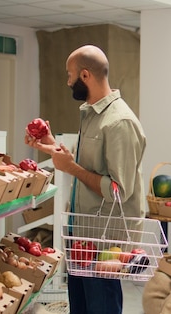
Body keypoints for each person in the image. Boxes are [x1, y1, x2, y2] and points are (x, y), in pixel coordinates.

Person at [25, 44, 147, 314]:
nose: (67, 82)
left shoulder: (119, 122)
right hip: (82, 235)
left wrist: (71, 169)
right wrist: (49, 144)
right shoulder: (92, 115)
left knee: (101, 307)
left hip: (105, 242)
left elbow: (119, 190)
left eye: (69, 75)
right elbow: (86, 166)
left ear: (85, 76)